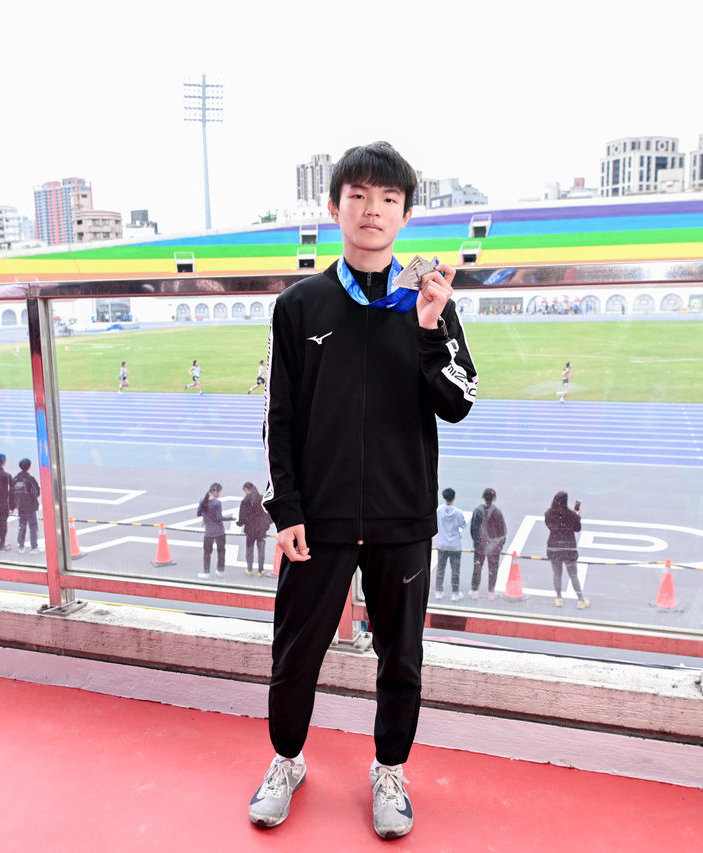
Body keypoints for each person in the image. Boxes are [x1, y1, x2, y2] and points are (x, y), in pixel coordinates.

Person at [251, 141, 477, 840]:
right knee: (295, 651)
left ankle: (390, 769)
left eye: (388, 198)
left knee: (400, 658)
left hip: (402, 516)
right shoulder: (300, 305)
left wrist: (430, 330)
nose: (372, 209)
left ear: (405, 214)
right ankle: (287, 759)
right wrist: (287, 508)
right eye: (358, 196)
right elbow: (278, 414)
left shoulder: (429, 301)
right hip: (317, 519)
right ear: (334, 207)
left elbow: (459, 402)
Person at [544, 491, 588, 609]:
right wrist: (577, 515)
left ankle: (559, 598)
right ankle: (580, 600)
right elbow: (577, 529)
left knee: (557, 573)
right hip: (569, 548)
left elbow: (549, 525)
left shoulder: (549, 513)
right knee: (573, 575)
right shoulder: (571, 515)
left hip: (554, 547)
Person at [470, 488, 507, 600]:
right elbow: (503, 532)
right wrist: (498, 546)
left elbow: (473, 529)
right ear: (494, 498)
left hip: (480, 546)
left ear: (483, 497)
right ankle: (491, 591)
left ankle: (474, 590)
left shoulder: (477, 511)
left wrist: (477, 543)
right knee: (493, 569)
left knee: (477, 567)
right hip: (493, 547)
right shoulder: (497, 512)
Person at [433, 488, 466, 601]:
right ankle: (455, 593)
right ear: (454, 497)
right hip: (455, 546)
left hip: (442, 545)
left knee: (440, 569)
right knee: (455, 570)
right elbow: (463, 525)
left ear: (443, 497)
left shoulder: (439, 510)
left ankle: (439, 591)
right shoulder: (458, 512)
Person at [196, 481, 233, 578]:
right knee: (221, 552)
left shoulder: (202, 501)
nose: (220, 494)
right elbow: (219, 518)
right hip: (219, 532)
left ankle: (206, 573)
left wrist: (206, 516)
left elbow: (198, 513)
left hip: (209, 532)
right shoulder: (217, 503)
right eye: (220, 492)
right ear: (216, 492)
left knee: (207, 553)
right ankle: (220, 572)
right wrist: (231, 518)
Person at [237, 480, 272, 576]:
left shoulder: (245, 501)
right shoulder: (261, 498)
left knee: (249, 550)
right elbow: (269, 514)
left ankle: (249, 570)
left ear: (246, 489)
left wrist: (239, 523)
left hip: (250, 530)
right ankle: (260, 571)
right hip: (261, 529)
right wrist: (266, 524)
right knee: (261, 550)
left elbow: (242, 516)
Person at [11, 458, 42, 554]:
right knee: (33, 526)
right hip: (30, 506)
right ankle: (34, 547)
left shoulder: (15, 479)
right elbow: (37, 493)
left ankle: (21, 546)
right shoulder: (30, 479)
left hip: (20, 505)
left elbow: (11, 493)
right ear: (29, 466)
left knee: (22, 525)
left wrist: (12, 506)